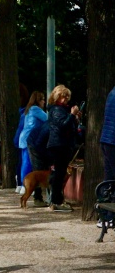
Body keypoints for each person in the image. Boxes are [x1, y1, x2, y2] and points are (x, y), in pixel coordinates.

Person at [46, 84, 81, 212]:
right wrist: (71, 115)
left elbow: (69, 126)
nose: (66, 99)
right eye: (63, 96)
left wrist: (75, 118)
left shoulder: (61, 110)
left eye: (67, 97)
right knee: (59, 174)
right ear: (57, 97)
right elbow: (62, 125)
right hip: (59, 145)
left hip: (63, 144)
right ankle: (56, 201)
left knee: (60, 174)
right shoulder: (56, 110)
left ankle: (56, 199)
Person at [18, 91, 48, 204]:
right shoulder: (36, 109)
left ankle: (22, 185)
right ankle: (23, 186)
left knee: (25, 162)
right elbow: (47, 118)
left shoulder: (29, 109)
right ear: (37, 101)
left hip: (24, 138)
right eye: (42, 99)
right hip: (29, 139)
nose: (44, 101)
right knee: (27, 163)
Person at [102, 85, 115, 181]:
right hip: (113, 140)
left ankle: (105, 190)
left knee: (109, 179)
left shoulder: (112, 93)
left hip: (106, 139)